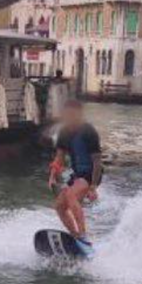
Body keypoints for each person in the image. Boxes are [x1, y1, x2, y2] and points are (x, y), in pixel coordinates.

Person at [48, 100, 103, 243]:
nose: (69, 117)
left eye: (73, 114)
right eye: (67, 114)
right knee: (59, 206)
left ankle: (83, 235)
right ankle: (75, 236)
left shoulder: (88, 131)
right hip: (77, 174)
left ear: (80, 114)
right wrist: (52, 176)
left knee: (71, 195)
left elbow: (97, 161)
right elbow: (59, 158)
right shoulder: (64, 132)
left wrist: (93, 187)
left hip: (91, 173)